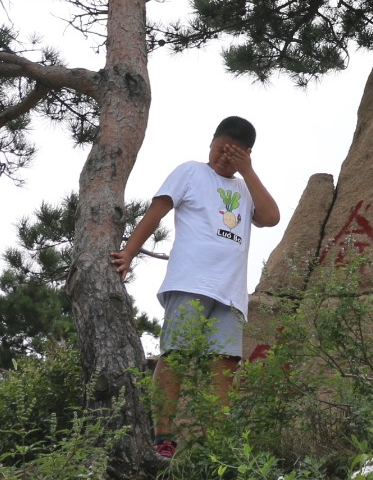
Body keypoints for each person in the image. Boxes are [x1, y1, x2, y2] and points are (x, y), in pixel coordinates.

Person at [112, 116, 281, 458]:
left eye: (233, 154)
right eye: (220, 149)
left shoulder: (245, 189)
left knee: (226, 364)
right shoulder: (191, 171)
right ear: (212, 142)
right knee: (177, 354)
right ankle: (164, 437)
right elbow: (157, 211)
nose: (223, 157)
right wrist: (129, 252)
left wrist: (246, 171)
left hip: (230, 293)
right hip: (191, 282)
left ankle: (218, 444)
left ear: (247, 154)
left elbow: (272, 217)